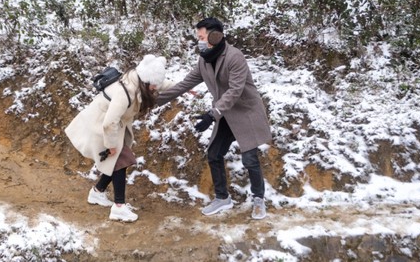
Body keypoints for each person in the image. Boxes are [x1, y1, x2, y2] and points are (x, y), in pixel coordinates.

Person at [157, 17, 271, 219]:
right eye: (198, 37)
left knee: (250, 159)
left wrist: (212, 114)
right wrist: (153, 100)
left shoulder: (235, 57)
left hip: (245, 112)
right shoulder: (204, 60)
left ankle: (259, 199)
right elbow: (185, 84)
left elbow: (235, 91)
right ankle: (222, 197)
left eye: (201, 37)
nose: (199, 41)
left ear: (215, 35)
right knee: (214, 154)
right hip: (225, 113)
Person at [65, 54, 171, 222]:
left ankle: (97, 192)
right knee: (120, 161)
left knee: (114, 162)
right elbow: (109, 122)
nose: (155, 88)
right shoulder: (124, 92)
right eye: (153, 86)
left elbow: (160, 83)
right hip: (100, 127)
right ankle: (119, 207)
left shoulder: (139, 79)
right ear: (146, 81)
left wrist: (185, 86)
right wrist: (111, 145)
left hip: (111, 127)